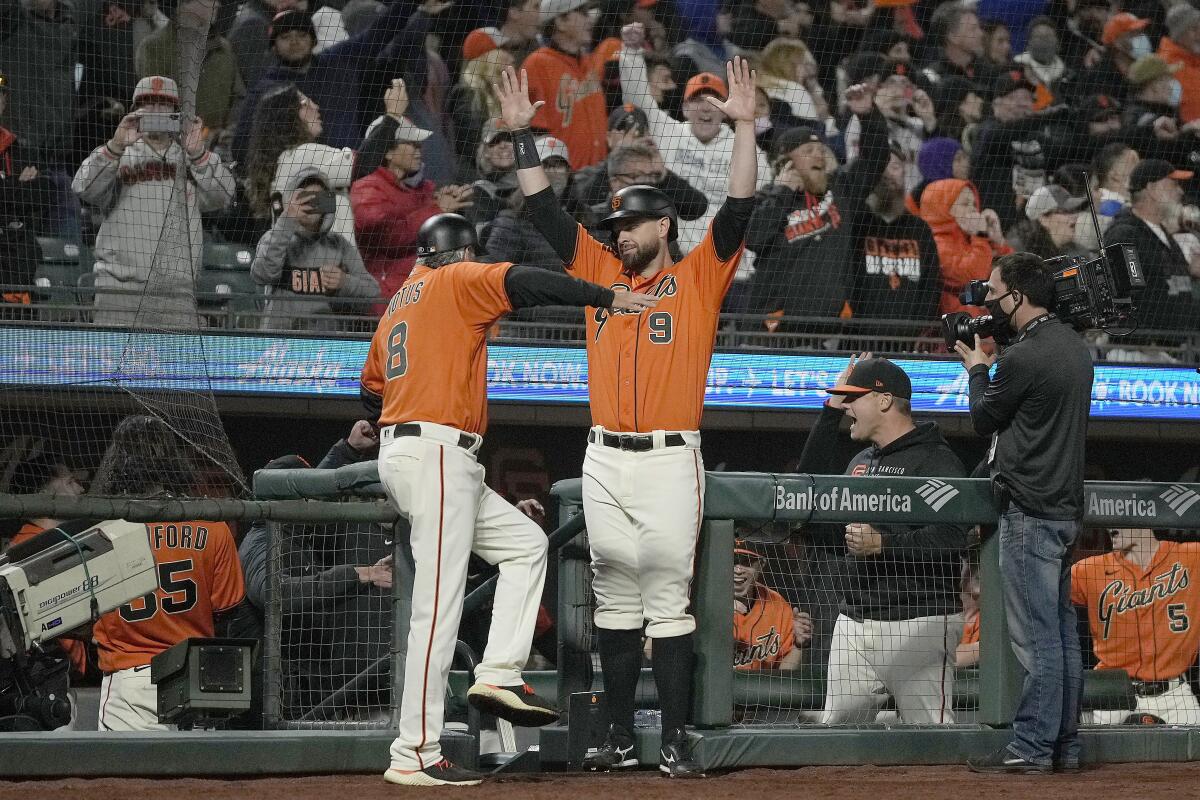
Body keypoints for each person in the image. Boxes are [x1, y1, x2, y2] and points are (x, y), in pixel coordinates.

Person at [497, 54, 759, 777]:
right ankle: (616, 734)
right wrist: (525, 136)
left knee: (667, 599)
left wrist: (743, 129)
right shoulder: (600, 274)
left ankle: (673, 739)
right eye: (616, 225)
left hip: (673, 457)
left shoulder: (698, 276)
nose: (619, 234)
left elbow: (738, 210)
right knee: (613, 594)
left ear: (664, 225)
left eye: (632, 225)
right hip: (604, 456)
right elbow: (545, 210)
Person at [360, 213, 657, 786]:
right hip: (437, 454)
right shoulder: (452, 280)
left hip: (422, 453)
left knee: (524, 546)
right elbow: (526, 280)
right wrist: (603, 296)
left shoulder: (401, 301)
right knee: (437, 609)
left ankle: (498, 671)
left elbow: (369, 391)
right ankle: (413, 751)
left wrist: (402, 428)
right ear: (459, 253)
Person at [955, 252, 1094, 774]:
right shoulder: (1076, 347)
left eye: (995, 292)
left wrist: (977, 369)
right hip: (1063, 509)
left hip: (1031, 511)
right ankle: (1065, 746)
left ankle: (1032, 748)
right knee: (1059, 635)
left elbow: (982, 419)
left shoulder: (1024, 357)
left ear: (1019, 294)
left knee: (1038, 640)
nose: (989, 301)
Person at [796, 354, 968, 724]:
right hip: (855, 620)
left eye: (852, 398)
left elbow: (953, 537)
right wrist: (829, 413)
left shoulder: (935, 460)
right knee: (838, 737)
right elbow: (812, 503)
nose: (847, 408)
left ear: (884, 400)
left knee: (932, 738)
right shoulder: (861, 461)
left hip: (920, 619)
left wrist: (883, 545)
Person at [89, 415, 252, 731]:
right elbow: (229, 612)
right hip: (194, 679)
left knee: (125, 779)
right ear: (176, 462)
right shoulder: (213, 526)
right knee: (196, 780)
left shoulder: (99, 534)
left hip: (129, 681)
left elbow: (82, 616)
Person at [72, 76, 235, 328]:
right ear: (135, 110)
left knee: (178, 367)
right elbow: (84, 188)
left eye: (164, 105)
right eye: (148, 104)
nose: (156, 111)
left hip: (178, 294)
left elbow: (224, 196)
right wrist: (116, 145)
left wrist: (198, 152)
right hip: (119, 291)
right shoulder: (118, 153)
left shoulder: (191, 157)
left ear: (176, 112)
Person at [619, 22, 771, 255]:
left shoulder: (745, 149)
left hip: (734, 266)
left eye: (714, 102)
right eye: (697, 101)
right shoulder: (667, 132)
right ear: (685, 108)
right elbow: (638, 98)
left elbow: (765, 202)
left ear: (725, 110)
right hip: (679, 262)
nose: (706, 109)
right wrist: (630, 52)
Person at [745, 91, 889, 329]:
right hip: (776, 329)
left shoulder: (842, 190)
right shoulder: (766, 199)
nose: (819, 156)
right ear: (786, 161)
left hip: (829, 327)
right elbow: (753, 237)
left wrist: (867, 116)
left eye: (821, 150)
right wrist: (783, 192)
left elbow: (875, 158)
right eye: (808, 151)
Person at [1071, 527, 1200, 726]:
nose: (1110, 526)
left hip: (1175, 696)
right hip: (1113, 693)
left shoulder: (1192, 557)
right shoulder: (1088, 570)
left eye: (1120, 515)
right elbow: (1036, 589)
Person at [350, 114, 474, 314]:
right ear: (389, 152)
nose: (419, 151)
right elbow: (385, 235)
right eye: (412, 145)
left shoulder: (423, 190)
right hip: (389, 302)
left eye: (419, 145)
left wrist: (450, 203)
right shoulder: (367, 187)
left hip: (426, 297)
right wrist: (437, 210)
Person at [251, 167, 380, 330]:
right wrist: (287, 221)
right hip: (280, 339)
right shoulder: (274, 238)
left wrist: (345, 282)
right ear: (291, 201)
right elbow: (261, 275)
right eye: (304, 198)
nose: (311, 204)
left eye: (318, 199)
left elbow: (373, 293)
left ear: (327, 203)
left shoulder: (339, 245)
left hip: (327, 342)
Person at [1104, 159, 1200, 334]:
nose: (1180, 191)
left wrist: (1188, 270)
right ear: (1152, 189)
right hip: (1139, 350)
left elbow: (1167, 285)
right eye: (1173, 184)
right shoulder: (1124, 235)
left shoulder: (1163, 235)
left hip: (1171, 348)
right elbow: (1127, 297)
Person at [850, 146, 941, 321]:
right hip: (857, 338)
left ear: (904, 173)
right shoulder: (856, 223)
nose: (887, 174)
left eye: (895, 167)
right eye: (880, 166)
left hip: (904, 341)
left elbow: (931, 285)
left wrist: (916, 329)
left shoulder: (920, 229)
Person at [520, 0, 607, 169]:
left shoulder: (587, 61)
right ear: (560, 22)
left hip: (599, 175)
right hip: (565, 179)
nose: (589, 20)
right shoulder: (537, 64)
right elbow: (533, 131)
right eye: (582, 13)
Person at [917, 178, 1012, 317]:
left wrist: (999, 242)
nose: (973, 209)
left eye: (974, 203)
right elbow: (972, 277)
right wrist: (980, 235)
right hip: (953, 331)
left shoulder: (975, 241)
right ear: (943, 207)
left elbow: (1013, 276)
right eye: (965, 204)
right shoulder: (935, 244)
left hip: (984, 327)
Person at [733, 541, 802, 671]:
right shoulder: (700, 600)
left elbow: (784, 674)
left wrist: (798, 646)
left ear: (761, 564)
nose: (738, 570)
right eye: (732, 561)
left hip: (761, 689)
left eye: (747, 562)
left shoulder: (778, 606)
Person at [1005, 184, 1085, 260]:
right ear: (1043, 219)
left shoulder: (1078, 252)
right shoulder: (1019, 254)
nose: (1075, 216)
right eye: (1065, 211)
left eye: (1074, 210)